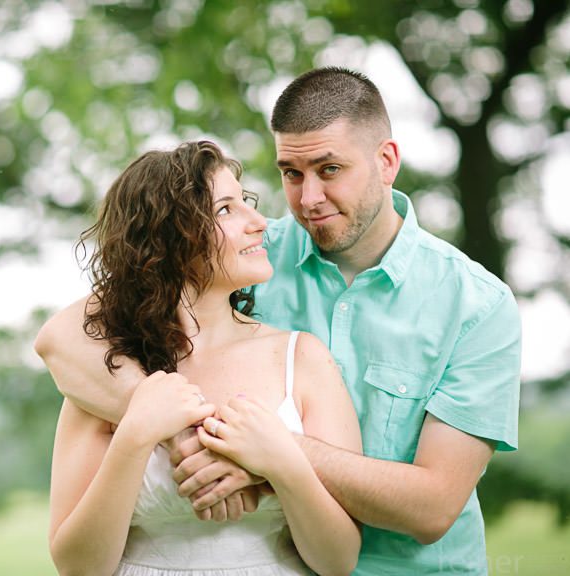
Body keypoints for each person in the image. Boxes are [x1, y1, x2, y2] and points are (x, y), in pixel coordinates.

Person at [36, 67, 522, 575]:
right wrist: (174, 433)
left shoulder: (477, 305)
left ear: (386, 162)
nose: (307, 199)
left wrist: (273, 454)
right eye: (292, 173)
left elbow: (433, 506)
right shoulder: (246, 255)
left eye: (329, 169)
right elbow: (64, 336)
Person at [44, 140, 362, 576]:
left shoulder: (300, 357)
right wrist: (136, 435)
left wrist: (282, 463)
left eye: (245, 203)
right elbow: (77, 566)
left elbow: (339, 561)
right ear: (170, 238)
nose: (259, 222)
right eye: (227, 210)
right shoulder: (107, 370)